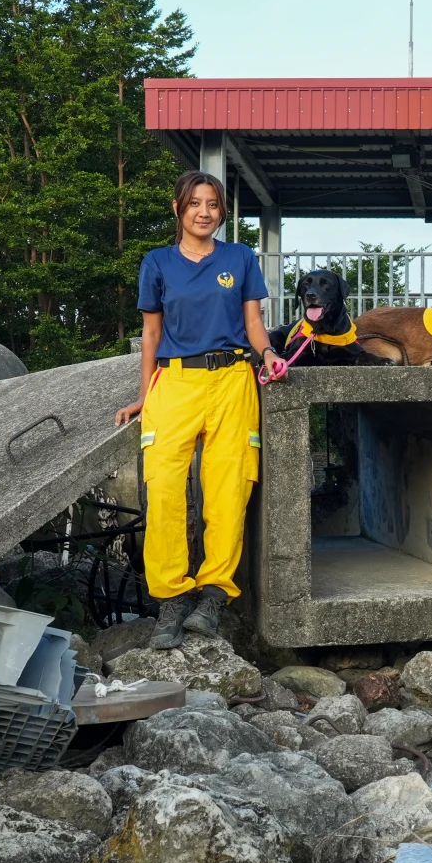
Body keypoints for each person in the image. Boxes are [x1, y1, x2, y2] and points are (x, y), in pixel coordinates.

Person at [115, 171, 286, 645]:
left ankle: (213, 595)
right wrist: (145, 395)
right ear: (178, 209)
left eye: (213, 204)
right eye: (195, 203)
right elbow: (152, 333)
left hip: (234, 379)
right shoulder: (157, 263)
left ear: (222, 212)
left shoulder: (239, 257)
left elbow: (254, 320)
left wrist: (268, 354)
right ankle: (171, 600)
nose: (204, 212)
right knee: (165, 487)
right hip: (176, 380)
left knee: (229, 488)